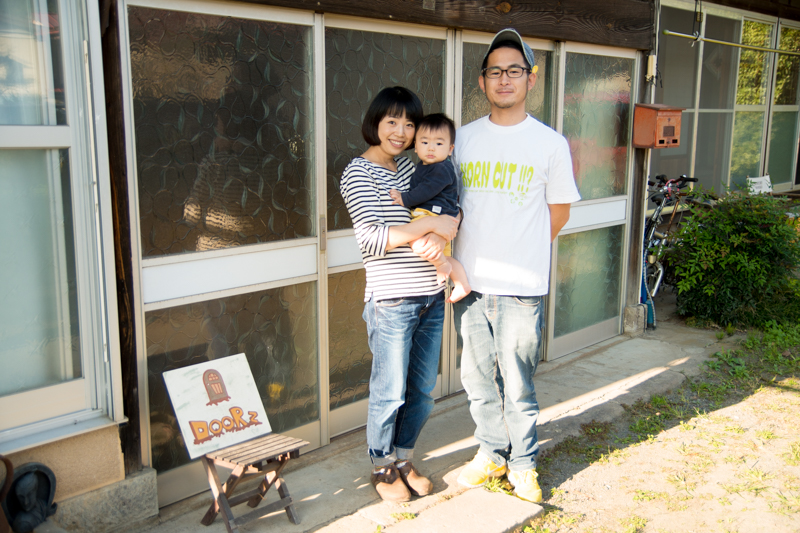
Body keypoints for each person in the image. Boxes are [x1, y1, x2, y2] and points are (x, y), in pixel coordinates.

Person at [452, 29, 581, 503]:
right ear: (482, 82)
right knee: (476, 379)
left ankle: (523, 464)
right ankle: (490, 453)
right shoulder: (462, 139)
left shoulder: (549, 144)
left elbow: (559, 211)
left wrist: (522, 249)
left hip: (521, 286)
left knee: (519, 382)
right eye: (494, 72)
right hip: (469, 286)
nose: (504, 79)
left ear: (531, 79)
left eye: (514, 71)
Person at [339, 87, 459, 502]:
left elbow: (447, 203)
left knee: (422, 390)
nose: (402, 131)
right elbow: (372, 239)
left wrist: (446, 222)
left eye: (410, 124)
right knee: (389, 390)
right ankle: (381, 464)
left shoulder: (410, 169)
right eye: (392, 121)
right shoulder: (357, 172)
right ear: (375, 122)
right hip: (392, 300)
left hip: (431, 294)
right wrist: (431, 228)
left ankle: (404, 457)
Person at [388, 113, 471, 303]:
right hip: (439, 215)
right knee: (440, 253)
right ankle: (461, 283)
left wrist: (404, 198)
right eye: (425, 142)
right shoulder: (423, 166)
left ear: (450, 149)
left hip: (435, 213)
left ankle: (441, 265)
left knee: (416, 243)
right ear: (415, 146)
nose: (431, 148)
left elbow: (426, 190)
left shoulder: (441, 168)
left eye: (439, 144)